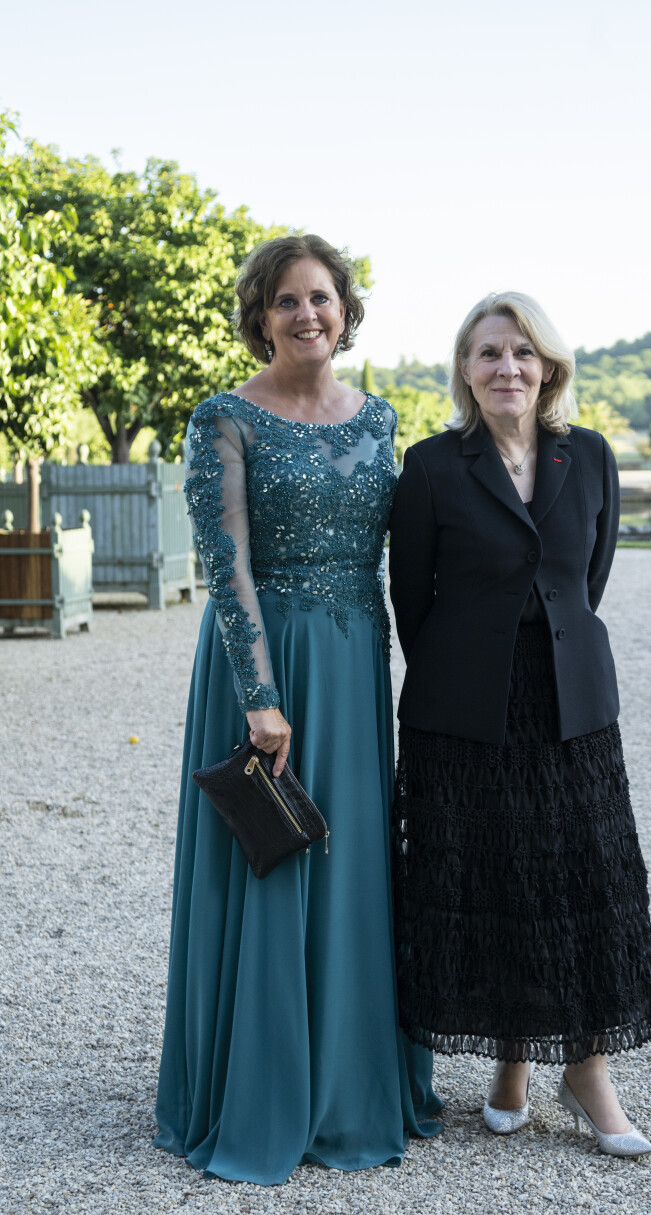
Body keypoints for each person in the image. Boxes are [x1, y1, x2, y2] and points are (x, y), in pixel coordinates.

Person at [153, 234, 442, 1185]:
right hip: (266, 660)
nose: (307, 313)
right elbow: (224, 561)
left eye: (321, 297)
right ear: (260, 315)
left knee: (355, 858)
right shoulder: (223, 417)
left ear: (346, 311)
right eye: (286, 300)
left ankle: (352, 1083)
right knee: (273, 859)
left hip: (356, 659)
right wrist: (261, 698)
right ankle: (259, 1085)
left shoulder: (383, 415)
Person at [388, 292, 651, 1157]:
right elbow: (412, 601)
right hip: (465, 712)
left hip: (571, 704)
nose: (506, 368)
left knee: (578, 882)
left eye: (521, 353)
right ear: (465, 371)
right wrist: (473, 666)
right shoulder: (431, 465)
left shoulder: (592, 456)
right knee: (493, 882)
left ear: (548, 367)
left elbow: (589, 576)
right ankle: (511, 1060)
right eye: (487, 354)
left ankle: (586, 1068)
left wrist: (553, 650)